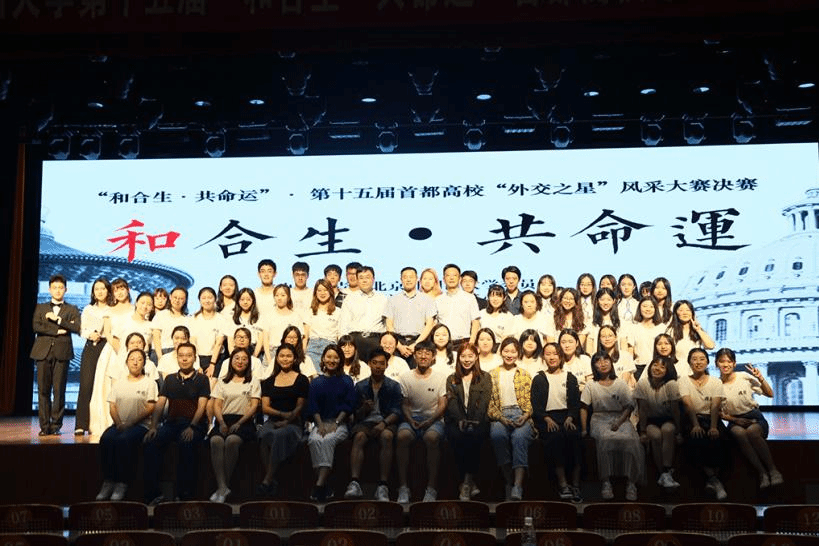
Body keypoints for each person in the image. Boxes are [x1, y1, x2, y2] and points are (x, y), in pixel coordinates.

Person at [143, 342, 210, 503]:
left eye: (188, 356)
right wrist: (153, 426)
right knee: (151, 442)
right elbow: (160, 404)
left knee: (186, 443)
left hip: (194, 424)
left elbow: (202, 406)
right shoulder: (170, 379)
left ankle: (184, 494)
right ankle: (154, 493)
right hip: (172, 423)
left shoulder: (202, 379)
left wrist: (192, 426)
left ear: (194, 358)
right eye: (181, 356)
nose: (184, 359)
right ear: (177, 358)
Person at [580, 352, 644, 501]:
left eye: (606, 360)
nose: (603, 364)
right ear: (594, 366)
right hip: (599, 418)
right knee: (605, 439)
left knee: (630, 440)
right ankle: (606, 482)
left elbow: (629, 406)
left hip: (620, 418)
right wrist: (583, 429)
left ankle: (631, 483)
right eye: (598, 361)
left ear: (611, 363)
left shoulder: (620, 383)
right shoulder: (591, 385)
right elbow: (583, 407)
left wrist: (619, 422)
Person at [96, 348, 157, 501]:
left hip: (140, 426)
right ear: (126, 363)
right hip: (119, 425)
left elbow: (150, 407)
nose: (135, 362)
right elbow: (112, 406)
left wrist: (131, 423)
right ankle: (108, 481)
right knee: (106, 439)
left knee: (123, 440)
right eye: (132, 359)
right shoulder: (119, 383)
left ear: (144, 363)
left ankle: (122, 483)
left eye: (139, 359)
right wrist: (119, 423)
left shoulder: (149, 383)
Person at [717, 348, 783, 488]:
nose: (725, 364)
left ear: (734, 363)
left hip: (754, 417)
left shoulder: (743, 376)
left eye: (729, 361)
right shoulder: (716, 385)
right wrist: (735, 420)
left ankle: (773, 471)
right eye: (722, 361)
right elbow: (720, 413)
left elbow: (770, 394)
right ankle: (762, 473)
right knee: (739, 433)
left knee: (752, 432)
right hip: (734, 420)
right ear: (717, 363)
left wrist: (760, 378)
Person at [344, 349, 402, 501]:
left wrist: (383, 424)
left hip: (386, 420)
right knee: (359, 437)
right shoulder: (361, 386)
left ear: (386, 365)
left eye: (381, 363)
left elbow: (397, 411)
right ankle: (354, 483)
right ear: (369, 364)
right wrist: (363, 409)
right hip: (366, 421)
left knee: (387, 436)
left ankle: (383, 485)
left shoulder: (394, 386)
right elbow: (354, 414)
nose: (378, 366)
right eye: (374, 363)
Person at [396, 341, 448, 503]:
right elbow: (404, 404)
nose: (423, 356)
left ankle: (431, 488)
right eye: (420, 352)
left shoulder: (441, 377)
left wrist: (430, 420)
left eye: (427, 353)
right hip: (411, 419)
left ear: (433, 357)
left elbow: (442, 404)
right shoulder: (405, 377)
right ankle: (403, 487)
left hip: (434, 419)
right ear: (414, 355)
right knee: (402, 436)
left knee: (431, 438)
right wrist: (411, 420)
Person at [530, 342, 582, 503]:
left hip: (567, 417)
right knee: (556, 438)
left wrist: (570, 417)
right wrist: (546, 418)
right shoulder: (539, 378)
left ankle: (576, 485)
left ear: (561, 356)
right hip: (547, 418)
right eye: (548, 354)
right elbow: (536, 405)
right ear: (543, 357)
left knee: (575, 437)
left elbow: (575, 403)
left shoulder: (570, 377)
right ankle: (563, 484)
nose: (552, 357)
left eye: (555, 354)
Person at [31, 274, 81, 436]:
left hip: (62, 352)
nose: (58, 290)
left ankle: (56, 425)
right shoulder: (41, 307)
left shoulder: (72, 309)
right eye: (54, 287)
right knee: (43, 390)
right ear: (49, 289)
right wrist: (57, 331)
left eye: (61, 287)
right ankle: (44, 426)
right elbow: (36, 326)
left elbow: (76, 327)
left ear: (66, 289)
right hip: (42, 352)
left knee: (59, 391)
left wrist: (58, 320)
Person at [208, 347, 261, 503]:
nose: (240, 361)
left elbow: (254, 406)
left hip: (244, 421)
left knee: (232, 440)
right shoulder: (222, 381)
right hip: (224, 420)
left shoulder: (253, 381)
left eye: (244, 359)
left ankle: (223, 486)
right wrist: (221, 423)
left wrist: (239, 422)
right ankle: (222, 487)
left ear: (249, 362)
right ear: (231, 361)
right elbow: (217, 405)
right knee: (215, 441)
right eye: (237, 358)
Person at [256, 343, 309, 497]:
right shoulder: (269, 381)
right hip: (273, 420)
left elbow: (300, 407)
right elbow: (265, 408)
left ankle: (267, 480)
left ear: (295, 359)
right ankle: (271, 479)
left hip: (294, 422)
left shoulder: (302, 379)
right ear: (277, 358)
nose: (285, 359)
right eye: (282, 356)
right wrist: (282, 414)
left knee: (279, 435)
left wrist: (287, 421)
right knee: (263, 435)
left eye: (289, 356)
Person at [307, 344, 357, 501]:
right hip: (320, 422)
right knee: (314, 440)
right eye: (328, 357)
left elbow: (348, 405)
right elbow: (313, 406)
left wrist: (336, 422)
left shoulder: (346, 380)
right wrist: (320, 424)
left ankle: (319, 485)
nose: (332, 360)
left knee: (328, 440)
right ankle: (324, 485)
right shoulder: (316, 382)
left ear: (340, 360)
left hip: (340, 423)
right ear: (323, 359)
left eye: (335, 357)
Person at [679, 348, 729, 500]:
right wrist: (695, 424)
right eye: (694, 359)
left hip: (712, 418)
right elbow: (688, 404)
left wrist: (713, 427)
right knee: (696, 437)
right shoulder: (683, 380)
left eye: (702, 359)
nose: (698, 362)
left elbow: (715, 405)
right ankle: (715, 480)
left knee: (721, 438)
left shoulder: (715, 381)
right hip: (692, 418)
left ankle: (712, 481)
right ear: (689, 362)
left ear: (707, 362)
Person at [487, 337, 534, 501]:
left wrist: (525, 416)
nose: (509, 354)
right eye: (506, 351)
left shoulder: (525, 374)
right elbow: (489, 404)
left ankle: (517, 486)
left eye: (513, 351)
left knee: (520, 438)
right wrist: (501, 418)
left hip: (520, 413)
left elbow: (530, 401)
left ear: (518, 353)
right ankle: (509, 481)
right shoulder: (491, 374)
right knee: (497, 435)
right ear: (501, 352)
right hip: (500, 415)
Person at [445, 343, 491, 501]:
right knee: (456, 436)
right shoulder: (451, 378)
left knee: (474, 437)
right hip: (456, 420)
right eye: (463, 356)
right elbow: (451, 402)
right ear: (458, 358)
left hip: (478, 420)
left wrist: (474, 421)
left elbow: (484, 402)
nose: (467, 360)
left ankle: (466, 483)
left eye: (470, 356)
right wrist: (460, 420)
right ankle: (470, 483)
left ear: (476, 357)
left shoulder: (485, 377)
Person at [634, 358, 683, 490]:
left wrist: (679, 432)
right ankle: (664, 474)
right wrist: (642, 432)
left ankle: (665, 472)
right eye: (655, 365)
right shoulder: (643, 383)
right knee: (655, 436)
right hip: (650, 420)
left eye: (662, 367)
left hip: (667, 418)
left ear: (668, 370)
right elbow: (642, 409)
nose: (657, 369)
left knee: (668, 430)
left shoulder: (671, 384)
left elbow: (675, 410)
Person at [76, 277, 112, 435]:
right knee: (86, 385)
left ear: (108, 291)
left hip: (107, 347)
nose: (100, 292)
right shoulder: (88, 309)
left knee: (105, 386)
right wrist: (90, 334)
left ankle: (104, 423)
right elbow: (82, 329)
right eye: (97, 289)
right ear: (93, 292)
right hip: (91, 346)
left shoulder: (112, 309)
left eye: (103, 288)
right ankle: (80, 424)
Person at [384, 266, 436, 367]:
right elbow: (389, 325)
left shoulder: (427, 300)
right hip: (398, 343)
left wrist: (416, 344)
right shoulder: (392, 300)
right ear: (401, 280)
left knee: (418, 374)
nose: (408, 280)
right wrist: (399, 346)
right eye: (405, 277)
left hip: (419, 342)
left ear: (417, 279)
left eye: (411, 277)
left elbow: (429, 325)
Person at [339, 265, 387, 360]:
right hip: (355, 340)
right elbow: (343, 324)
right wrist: (344, 345)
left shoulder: (383, 298)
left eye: (367, 277)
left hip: (376, 340)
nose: (364, 280)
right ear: (357, 280)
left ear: (373, 279)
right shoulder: (350, 299)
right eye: (361, 278)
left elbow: (387, 323)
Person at [436, 263, 480, 351]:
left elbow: (475, 322)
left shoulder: (470, 298)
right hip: (443, 343)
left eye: (454, 275)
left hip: (464, 342)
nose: (451, 278)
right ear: (444, 279)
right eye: (448, 275)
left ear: (459, 279)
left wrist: (471, 342)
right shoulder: (438, 300)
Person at [189, 287, 229, 381]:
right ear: (199, 300)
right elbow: (192, 341)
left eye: (210, 298)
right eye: (204, 298)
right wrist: (197, 364)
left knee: (212, 384)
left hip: (216, 358)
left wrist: (212, 364)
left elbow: (219, 343)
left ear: (215, 299)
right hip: (197, 357)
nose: (207, 301)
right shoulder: (193, 318)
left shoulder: (221, 319)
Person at [667, 300, 715, 374]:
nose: (685, 313)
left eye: (688, 310)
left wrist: (698, 330)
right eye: (681, 310)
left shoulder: (697, 331)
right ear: (676, 313)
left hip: (696, 371)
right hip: (677, 371)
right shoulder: (670, 331)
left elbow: (710, 346)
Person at [262, 284, 306, 362]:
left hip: (289, 354)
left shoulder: (295, 316)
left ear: (288, 297)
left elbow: (299, 339)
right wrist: (269, 359)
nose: (279, 298)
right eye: (277, 295)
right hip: (272, 352)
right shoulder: (268, 315)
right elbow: (265, 339)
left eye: (283, 295)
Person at [304, 279, 340, 369]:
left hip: (330, 347)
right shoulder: (310, 311)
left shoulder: (338, 312)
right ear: (315, 293)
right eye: (319, 290)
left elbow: (339, 335)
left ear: (330, 292)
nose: (322, 293)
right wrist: (303, 354)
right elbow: (305, 336)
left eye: (325, 290)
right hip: (313, 347)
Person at [151, 286, 190, 360]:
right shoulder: (161, 315)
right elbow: (156, 336)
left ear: (185, 300)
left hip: (179, 354)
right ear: (170, 297)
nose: (177, 300)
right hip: (161, 352)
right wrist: (160, 357)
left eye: (181, 298)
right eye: (175, 297)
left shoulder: (187, 319)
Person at [630, 297, 666, 370]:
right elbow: (630, 352)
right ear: (639, 308)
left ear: (655, 309)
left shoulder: (662, 328)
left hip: (658, 367)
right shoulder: (633, 328)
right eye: (645, 306)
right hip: (639, 367)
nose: (648, 309)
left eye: (651, 307)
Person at [228, 287, 264, 358]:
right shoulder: (232, 316)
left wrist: (254, 357)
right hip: (236, 351)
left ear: (253, 300)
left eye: (248, 299)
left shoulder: (259, 317)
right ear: (238, 301)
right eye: (242, 299)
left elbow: (260, 340)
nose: (245, 302)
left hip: (254, 351)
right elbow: (230, 340)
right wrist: (233, 357)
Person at [585, 287, 622, 355]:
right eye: (602, 299)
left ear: (614, 301)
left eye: (609, 299)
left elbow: (624, 346)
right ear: (597, 301)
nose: (605, 303)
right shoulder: (591, 323)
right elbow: (589, 347)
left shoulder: (621, 322)